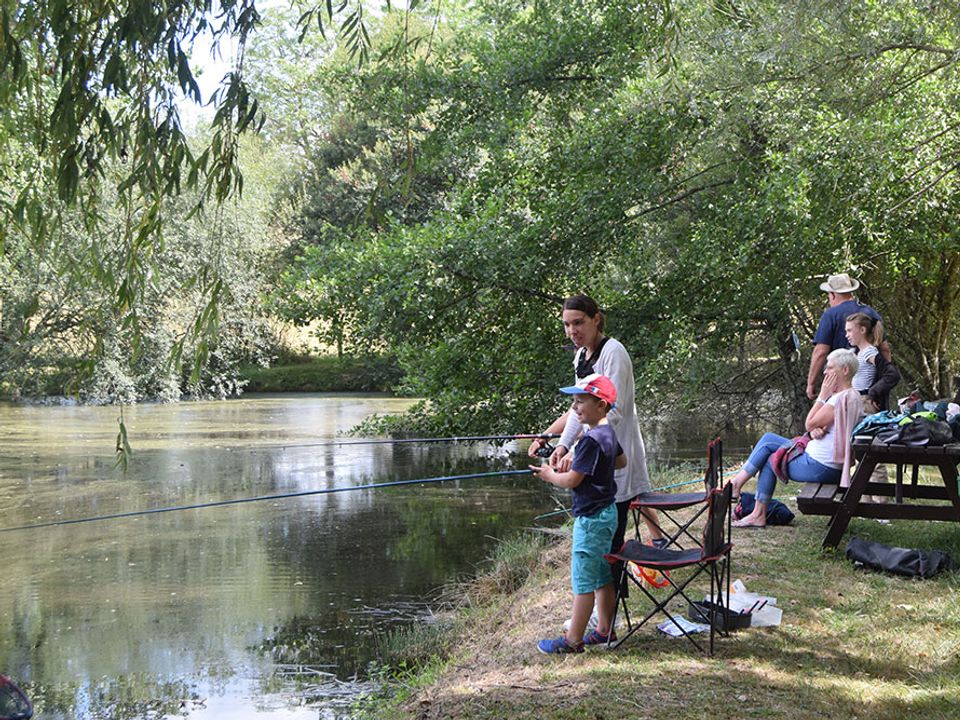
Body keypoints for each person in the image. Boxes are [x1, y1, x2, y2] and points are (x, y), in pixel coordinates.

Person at [527, 295, 662, 549]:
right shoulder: (580, 357)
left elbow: (614, 411)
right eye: (566, 325)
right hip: (596, 456)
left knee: (614, 535)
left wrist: (579, 450)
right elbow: (578, 407)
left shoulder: (614, 353)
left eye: (578, 323)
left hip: (615, 448)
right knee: (604, 534)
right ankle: (611, 580)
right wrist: (562, 446)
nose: (571, 331)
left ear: (596, 320)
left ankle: (616, 584)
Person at [529, 375, 624, 653]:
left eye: (581, 401)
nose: (575, 407)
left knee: (583, 581)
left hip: (591, 520)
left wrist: (549, 474)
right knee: (601, 576)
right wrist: (587, 463)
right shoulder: (606, 434)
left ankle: (573, 641)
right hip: (607, 514)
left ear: (602, 406)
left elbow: (572, 481)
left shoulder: (590, 441)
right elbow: (621, 460)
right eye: (574, 401)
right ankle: (605, 630)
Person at [731, 349, 864, 528]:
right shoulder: (853, 396)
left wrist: (823, 396)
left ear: (845, 370)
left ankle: (755, 510)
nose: (825, 372)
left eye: (830, 367)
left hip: (822, 466)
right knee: (769, 440)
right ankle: (738, 486)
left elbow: (808, 423)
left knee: (771, 459)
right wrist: (814, 431)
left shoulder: (837, 399)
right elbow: (828, 427)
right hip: (830, 462)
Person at [807, 273, 886, 400]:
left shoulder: (830, 315)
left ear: (832, 295)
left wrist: (811, 383)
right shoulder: (870, 312)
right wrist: (883, 381)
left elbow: (820, 352)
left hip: (841, 385)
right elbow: (885, 349)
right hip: (872, 388)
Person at [845, 312, 901, 414]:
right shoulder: (860, 352)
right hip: (857, 401)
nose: (846, 335)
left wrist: (873, 393)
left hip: (865, 404)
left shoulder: (869, 352)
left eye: (849, 331)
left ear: (862, 330)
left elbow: (892, 374)